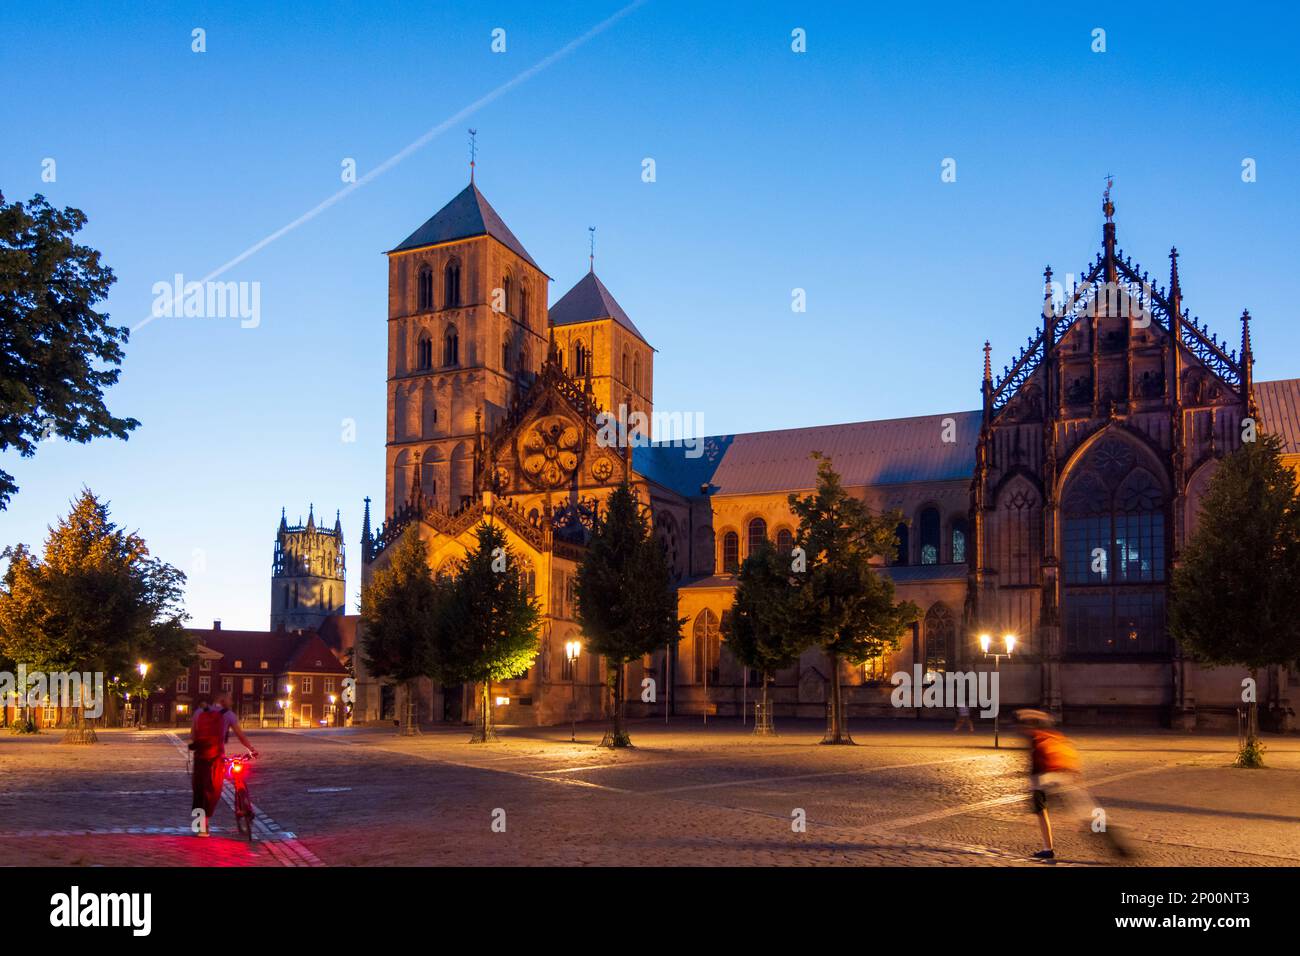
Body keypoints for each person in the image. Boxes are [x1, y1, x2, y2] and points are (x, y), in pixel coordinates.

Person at [1015, 708, 1129, 861]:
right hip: (1067, 776)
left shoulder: (1036, 739)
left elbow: (1037, 765)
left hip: (1045, 779)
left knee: (1042, 813)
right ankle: (1113, 840)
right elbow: (1069, 757)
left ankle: (1048, 848)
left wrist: (1033, 787)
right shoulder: (1057, 737)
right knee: (1086, 812)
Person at [189, 691, 257, 837]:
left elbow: (193, 736)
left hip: (200, 757)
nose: (231, 701)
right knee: (213, 790)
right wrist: (251, 749)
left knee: (199, 790)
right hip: (216, 757)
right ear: (222, 699)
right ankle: (207, 820)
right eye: (229, 698)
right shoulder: (229, 715)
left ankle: (201, 827)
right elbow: (241, 736)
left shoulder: (199, 712)